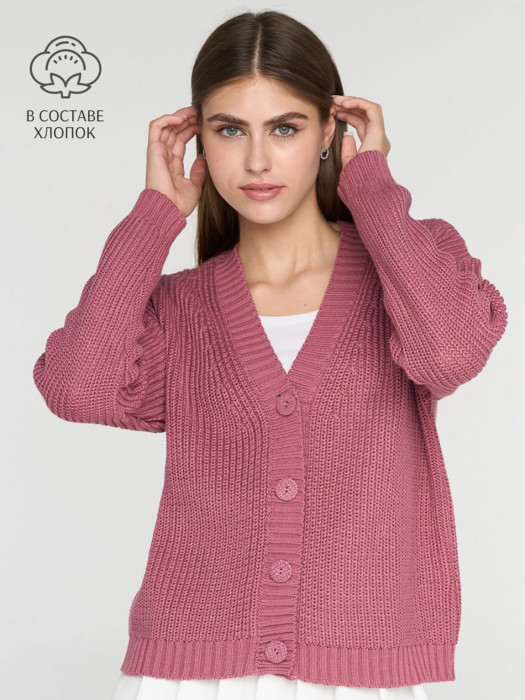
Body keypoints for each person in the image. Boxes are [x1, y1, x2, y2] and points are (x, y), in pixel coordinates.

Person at [32, 10, 508, 700]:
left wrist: (372, 187)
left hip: (358, 671)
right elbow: (77, 388)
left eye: (285, 128)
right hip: (191, 673)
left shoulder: (410, 268)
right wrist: (154, 216)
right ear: (198, 138)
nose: (257, 161)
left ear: (329, 132)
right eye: (230, 130)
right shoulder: (180, 309)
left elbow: (450, 353)